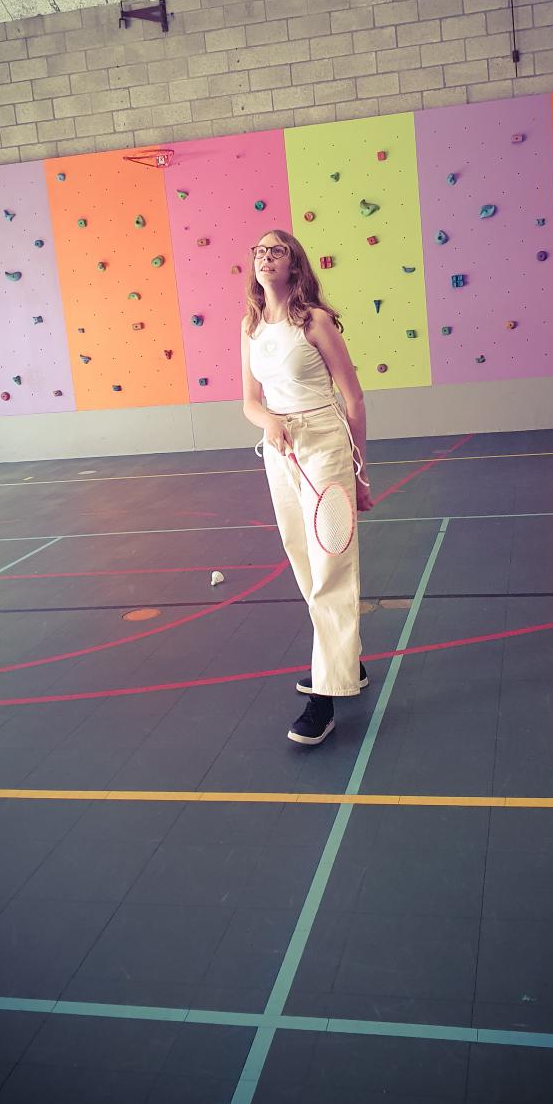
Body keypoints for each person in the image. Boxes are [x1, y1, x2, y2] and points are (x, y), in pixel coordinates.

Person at [240, 229, 373, 745]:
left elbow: (353, 399)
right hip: (280, 452)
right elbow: (250, 401)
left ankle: (326, 695)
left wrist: (360, 473)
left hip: (323, 445)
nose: (265, 257)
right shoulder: (251, 325)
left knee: (330, 566)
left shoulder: (314, 321)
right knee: (302, 558)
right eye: (259, 251)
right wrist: (269, 422)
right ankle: (345, 661)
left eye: (276, 250)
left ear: (294, 265)